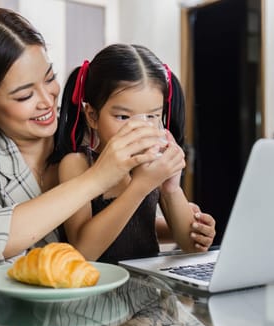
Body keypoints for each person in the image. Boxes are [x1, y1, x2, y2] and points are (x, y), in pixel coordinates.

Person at [0, 8, 169, 274]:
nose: (47, 100)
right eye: (24, 96)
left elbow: (119, 222)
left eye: (50, 78)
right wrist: (96, 178)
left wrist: (174, 224)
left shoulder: (86, 130)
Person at [51, 44, 216, 263]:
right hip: (97, 290)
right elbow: (83, 253)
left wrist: (171, 189)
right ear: (91, 115)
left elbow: (190, 247)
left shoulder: (151, 162)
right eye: (123, 117)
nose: (138, 128)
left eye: (152, 116)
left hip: (147, 290)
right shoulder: (78, 164)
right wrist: (141, 185)